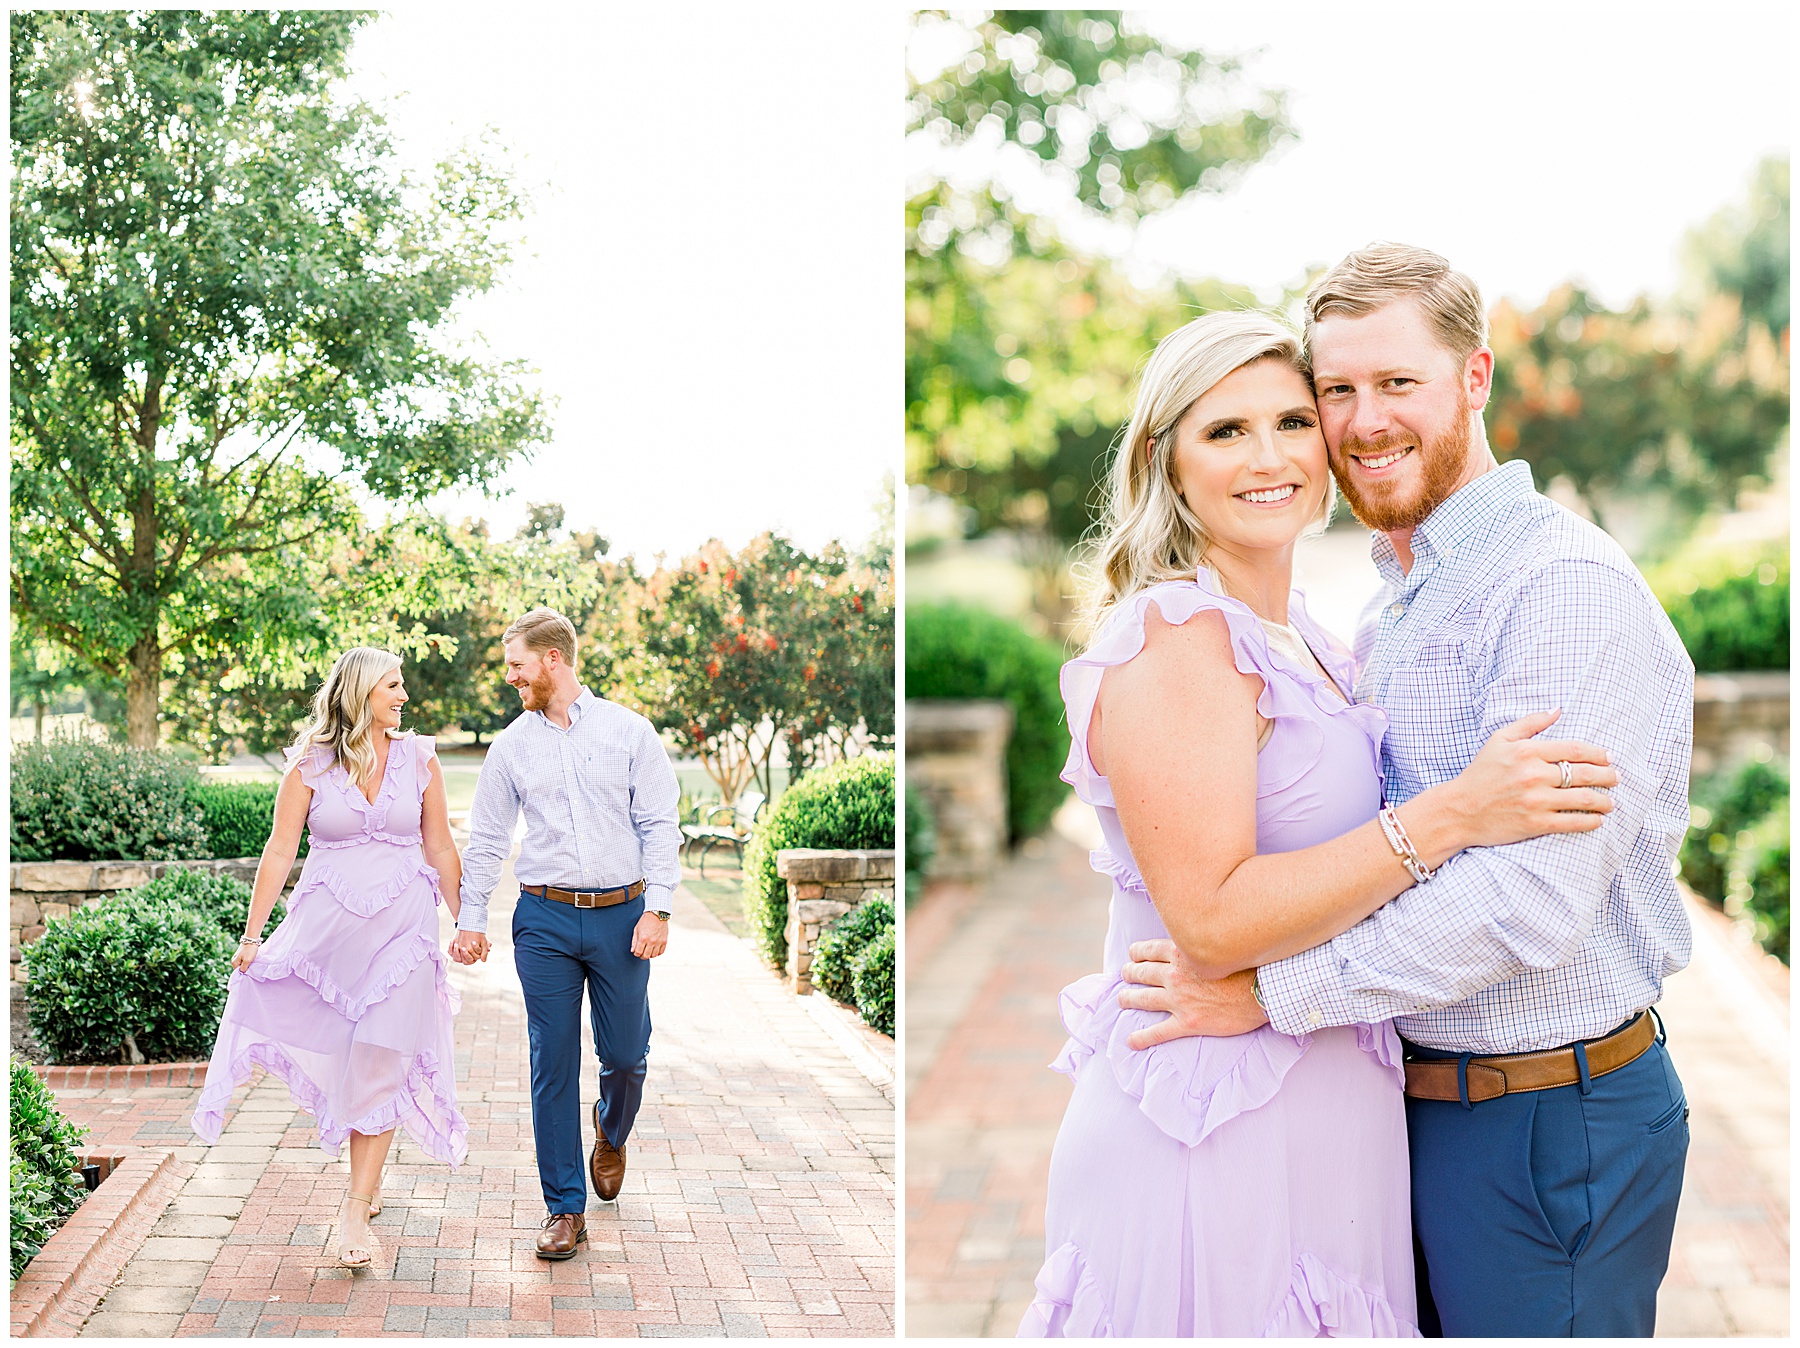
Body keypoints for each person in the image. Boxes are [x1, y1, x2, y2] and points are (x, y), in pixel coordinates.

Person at [1120, 245, 1696, 1337]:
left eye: (1398, 383)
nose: (1363, 419)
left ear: (1475, 379)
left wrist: (1265, 996)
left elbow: (1525, 900)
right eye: (1335, 390)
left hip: (1543, 1118)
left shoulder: (1557, 591)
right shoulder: (1388, 611)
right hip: (1408, 1108)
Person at [192, 647, 469, 1269]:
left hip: (404, 937)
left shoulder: (421, 759)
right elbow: (279, 849)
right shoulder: (310, 766)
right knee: (352, 1059)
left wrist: (467, 919)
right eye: (393, 686)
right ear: (362, 692)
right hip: (328, 941)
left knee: (384, 1063)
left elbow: (441, 845)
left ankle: (355, 1207)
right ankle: (360, 1185)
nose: (403, 696)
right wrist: (251, 935)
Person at [450, 607, 681, 1260]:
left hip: (621, 915)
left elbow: (660, 824)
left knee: (628, 1055)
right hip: (544, 918)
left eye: (518, 667)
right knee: (551, 1061)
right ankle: (564, 1208)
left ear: (554, 659)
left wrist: (657, 908)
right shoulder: (511, 747)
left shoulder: (629, 732)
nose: (511, 680)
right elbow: (490, 838)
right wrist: (471, 917)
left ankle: (611, 1130)